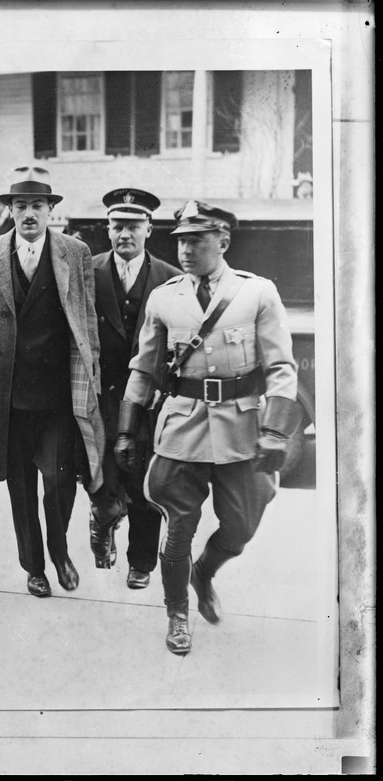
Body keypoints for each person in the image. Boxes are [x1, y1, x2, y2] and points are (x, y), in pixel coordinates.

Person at [115, 200, 300, 655]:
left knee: (241, 526)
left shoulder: (257, 293)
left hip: (240, 427)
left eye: (196, 240)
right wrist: (125, 428)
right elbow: (143, 369)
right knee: (179, 527)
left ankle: (205, 572)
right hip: (184, 426)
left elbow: (281, 367)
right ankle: (177, 613)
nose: (186, 249)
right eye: (180, 240)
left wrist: (276, 431)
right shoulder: (165, 297)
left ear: (223, 241)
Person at [0, 166, 112, 599]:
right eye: (20, 206)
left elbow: (87, 320)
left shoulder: (75, 252)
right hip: (9, 393)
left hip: (59, 392)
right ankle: (34, 566)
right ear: (10, 211)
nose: (28, 214)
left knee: (60, 481)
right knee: (20, 486)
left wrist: (92, 372)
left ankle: (60, 551)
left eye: (37, 207)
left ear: (50, 212)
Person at [88, 188, 181, 587]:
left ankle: (141, 562)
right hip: (100, 396)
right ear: (107, 230)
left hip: (148, 400)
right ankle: (102, 523)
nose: (124, 234)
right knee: (102, 479)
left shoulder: (170, 278)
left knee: (145, 481)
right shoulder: (86, 272)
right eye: (117, 226)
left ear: (149, 229)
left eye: (133, 226)